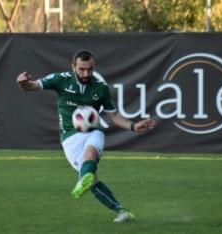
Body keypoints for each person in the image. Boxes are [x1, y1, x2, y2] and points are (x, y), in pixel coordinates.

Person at [17, 49, 156, 223]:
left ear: (94, 66)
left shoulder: (100, 88)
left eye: (89, 69)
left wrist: (134, 126)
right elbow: (33, 86)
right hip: (69, 138)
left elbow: (113, 116)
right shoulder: (60, 80)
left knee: (90, 155)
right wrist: (23, 83)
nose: (86, 73)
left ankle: (83, 179)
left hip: (92, 131)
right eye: (81, 69)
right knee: (93, 179)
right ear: (73, 66)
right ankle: (120, 210)